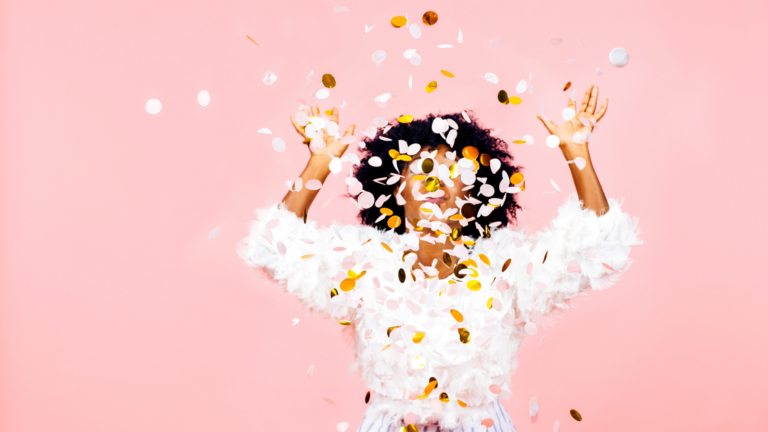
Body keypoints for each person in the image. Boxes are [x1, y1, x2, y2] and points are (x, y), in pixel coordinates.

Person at [239, 85, 641, 431]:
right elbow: (276, 245)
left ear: (475, 197)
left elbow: (597, 248)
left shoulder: (506, 267)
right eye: (422, 169)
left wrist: (577, 152)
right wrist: (320, 162)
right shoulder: (364, 261)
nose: (436, 180)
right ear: (394, 192)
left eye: (454, 171)